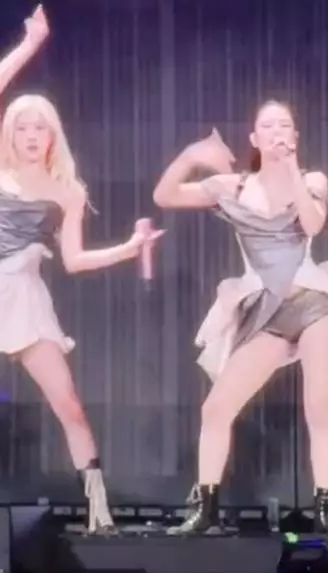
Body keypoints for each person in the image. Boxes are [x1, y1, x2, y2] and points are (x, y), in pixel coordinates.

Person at [153, 101, 328, 536]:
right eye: (267, 126)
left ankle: (324, 510)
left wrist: (290, 170)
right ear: (253, 138)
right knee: (216, 408)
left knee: (319, 406)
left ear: (296, 136)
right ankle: (206, 508)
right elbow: (165, 196)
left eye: (285, 125)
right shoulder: (234, 186)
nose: (276, 132)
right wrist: (192, 155)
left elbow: (312, 224)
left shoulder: (311, 180)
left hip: (313, 301)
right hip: (266, 309)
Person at [0, 6, 163, 533]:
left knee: (69, 404)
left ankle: (99, 510)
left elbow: (72, 260)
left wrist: (129, 247)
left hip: (24, 297)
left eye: (40, 128)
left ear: (53, 136)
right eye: (21, 126)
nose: (31, 135)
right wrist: (29, 45)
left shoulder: (68, 191)